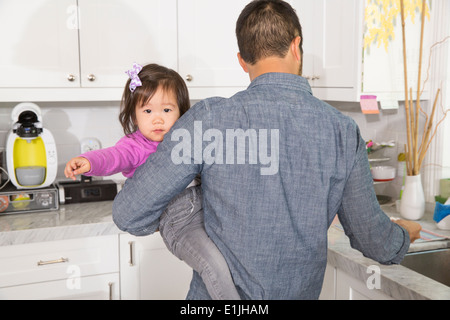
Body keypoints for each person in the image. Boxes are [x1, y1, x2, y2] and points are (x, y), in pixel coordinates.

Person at [112, 1, 421, 300]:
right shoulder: (341, 130)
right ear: (296, 47)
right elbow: (375, 240)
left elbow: (129, 213)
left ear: (242, 60)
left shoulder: (208, 120)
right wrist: (403, 234)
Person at [64, 63, 240, 300]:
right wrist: (89, 161)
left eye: (167, 110)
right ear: (134, 114)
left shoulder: (187, 138)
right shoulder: (134, 146)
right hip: (180, 223)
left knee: (234, 262)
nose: (157, 119)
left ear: (181, 111)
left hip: (208, 210)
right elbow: (114, 157)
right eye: (148, 111)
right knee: (214, 267)